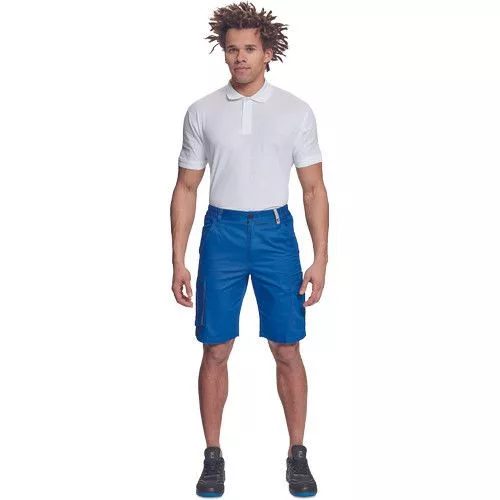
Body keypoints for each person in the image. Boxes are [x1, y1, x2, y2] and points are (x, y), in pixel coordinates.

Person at [170, 2, 329, 497]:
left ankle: (297, 453)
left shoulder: (295, 111)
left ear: (268, 53)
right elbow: (186, 188)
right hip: (221, 234)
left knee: (287, 347)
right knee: (215, 347)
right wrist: (177, 259)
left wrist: (321, 257)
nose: (240, 58)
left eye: (249, 49)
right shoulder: (202, 111)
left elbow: (313, 190)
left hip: (276, 234)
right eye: (232, 49)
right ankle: (212, 455)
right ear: (224, 52)